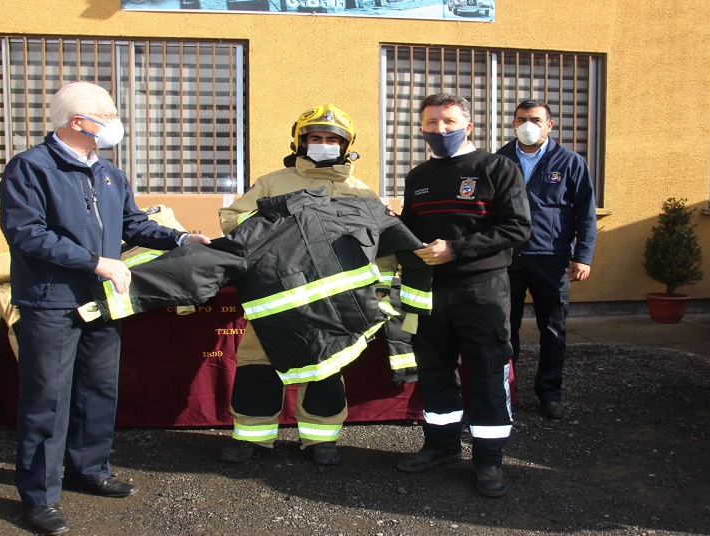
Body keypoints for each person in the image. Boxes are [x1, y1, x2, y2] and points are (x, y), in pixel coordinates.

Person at [0, 81, 210, 535]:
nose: (116, 123)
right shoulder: (30, 169)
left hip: (100, 302)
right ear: (78, 122)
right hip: (51, 300)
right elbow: (27, 233)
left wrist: (180, 238)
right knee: (47, 400)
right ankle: (39, 495)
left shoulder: (109, 173)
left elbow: (132, 223)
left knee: (98, 389)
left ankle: (88, 469)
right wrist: (96, 262)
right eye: (109, 115)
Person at [217, 103, 390, 467]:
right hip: (275, 293)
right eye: (315, 138)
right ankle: (252, 438)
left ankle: (320, 440)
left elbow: (381, 247)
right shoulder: (272, 183)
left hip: (331, 300)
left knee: (325, 365)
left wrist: (378, 294)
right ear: (301, 141)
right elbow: (233, 221)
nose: (323, 144)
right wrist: (279, 220)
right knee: (257, 365)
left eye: (331, 139)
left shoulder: (361, 193)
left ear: (345, 146)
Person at [396, 93, 531, 497]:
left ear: (468, 126)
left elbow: (518, 228)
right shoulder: (418, 177)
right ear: (421, 129)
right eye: (432, 123)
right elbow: (411, 229)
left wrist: (455, 249)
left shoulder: (497, 168)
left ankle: (488, 460)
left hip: (481, 289)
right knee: (435, 369)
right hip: (429, 291)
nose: (441, 130)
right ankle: (440, 445)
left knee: (488, 370)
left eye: (450, 122)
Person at [495, 99, 597, 421]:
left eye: (536, 119)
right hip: (507, 258)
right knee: (503, 329)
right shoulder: (499, 160)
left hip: (551, 260)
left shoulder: (569, 162)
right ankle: (504, 392)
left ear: (549, 125)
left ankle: (549, 393)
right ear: (513, 124)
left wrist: (583, 256)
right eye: (522, 119)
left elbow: (586, 214)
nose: (528, 124)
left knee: (552, 329)